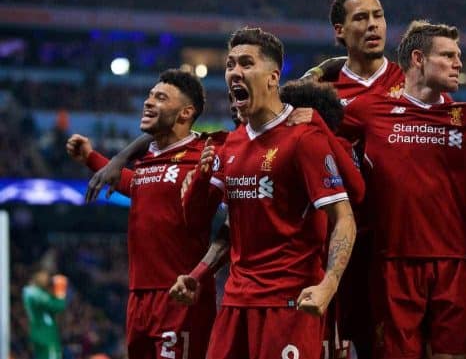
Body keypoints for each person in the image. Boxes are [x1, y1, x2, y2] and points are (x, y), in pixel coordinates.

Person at [170, 27, 357, 359]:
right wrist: (199, 274)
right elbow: (231, 228)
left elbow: (343, 218)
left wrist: (329, 284)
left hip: (288, 303)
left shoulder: (303, 137)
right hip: (235, 302)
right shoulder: (232, 144)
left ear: (273, 78)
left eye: (246, 63)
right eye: (230, 65)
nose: (234, 73)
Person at [338, 20, 466, 359]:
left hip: (456, 266)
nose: (459, 63)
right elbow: (318, 139)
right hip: (392, 266)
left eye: (459, 55)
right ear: (418, 58)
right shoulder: (368, 111)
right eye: (448, 55)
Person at [66, 69, 222, 359]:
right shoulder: (147, 158)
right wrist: (91, 157)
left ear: (185, 113)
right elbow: (136, 186)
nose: (148, 103)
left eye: (161, 98)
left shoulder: (205, 152)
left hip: (181, 295)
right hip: (139, 297)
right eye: (149, 96)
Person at [22, 269, 68, 359]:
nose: (47, 278)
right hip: (45, 335)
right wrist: (60, 290)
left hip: (39, 332)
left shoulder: (31, 292)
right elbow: (58, 306)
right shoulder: (34, 293)